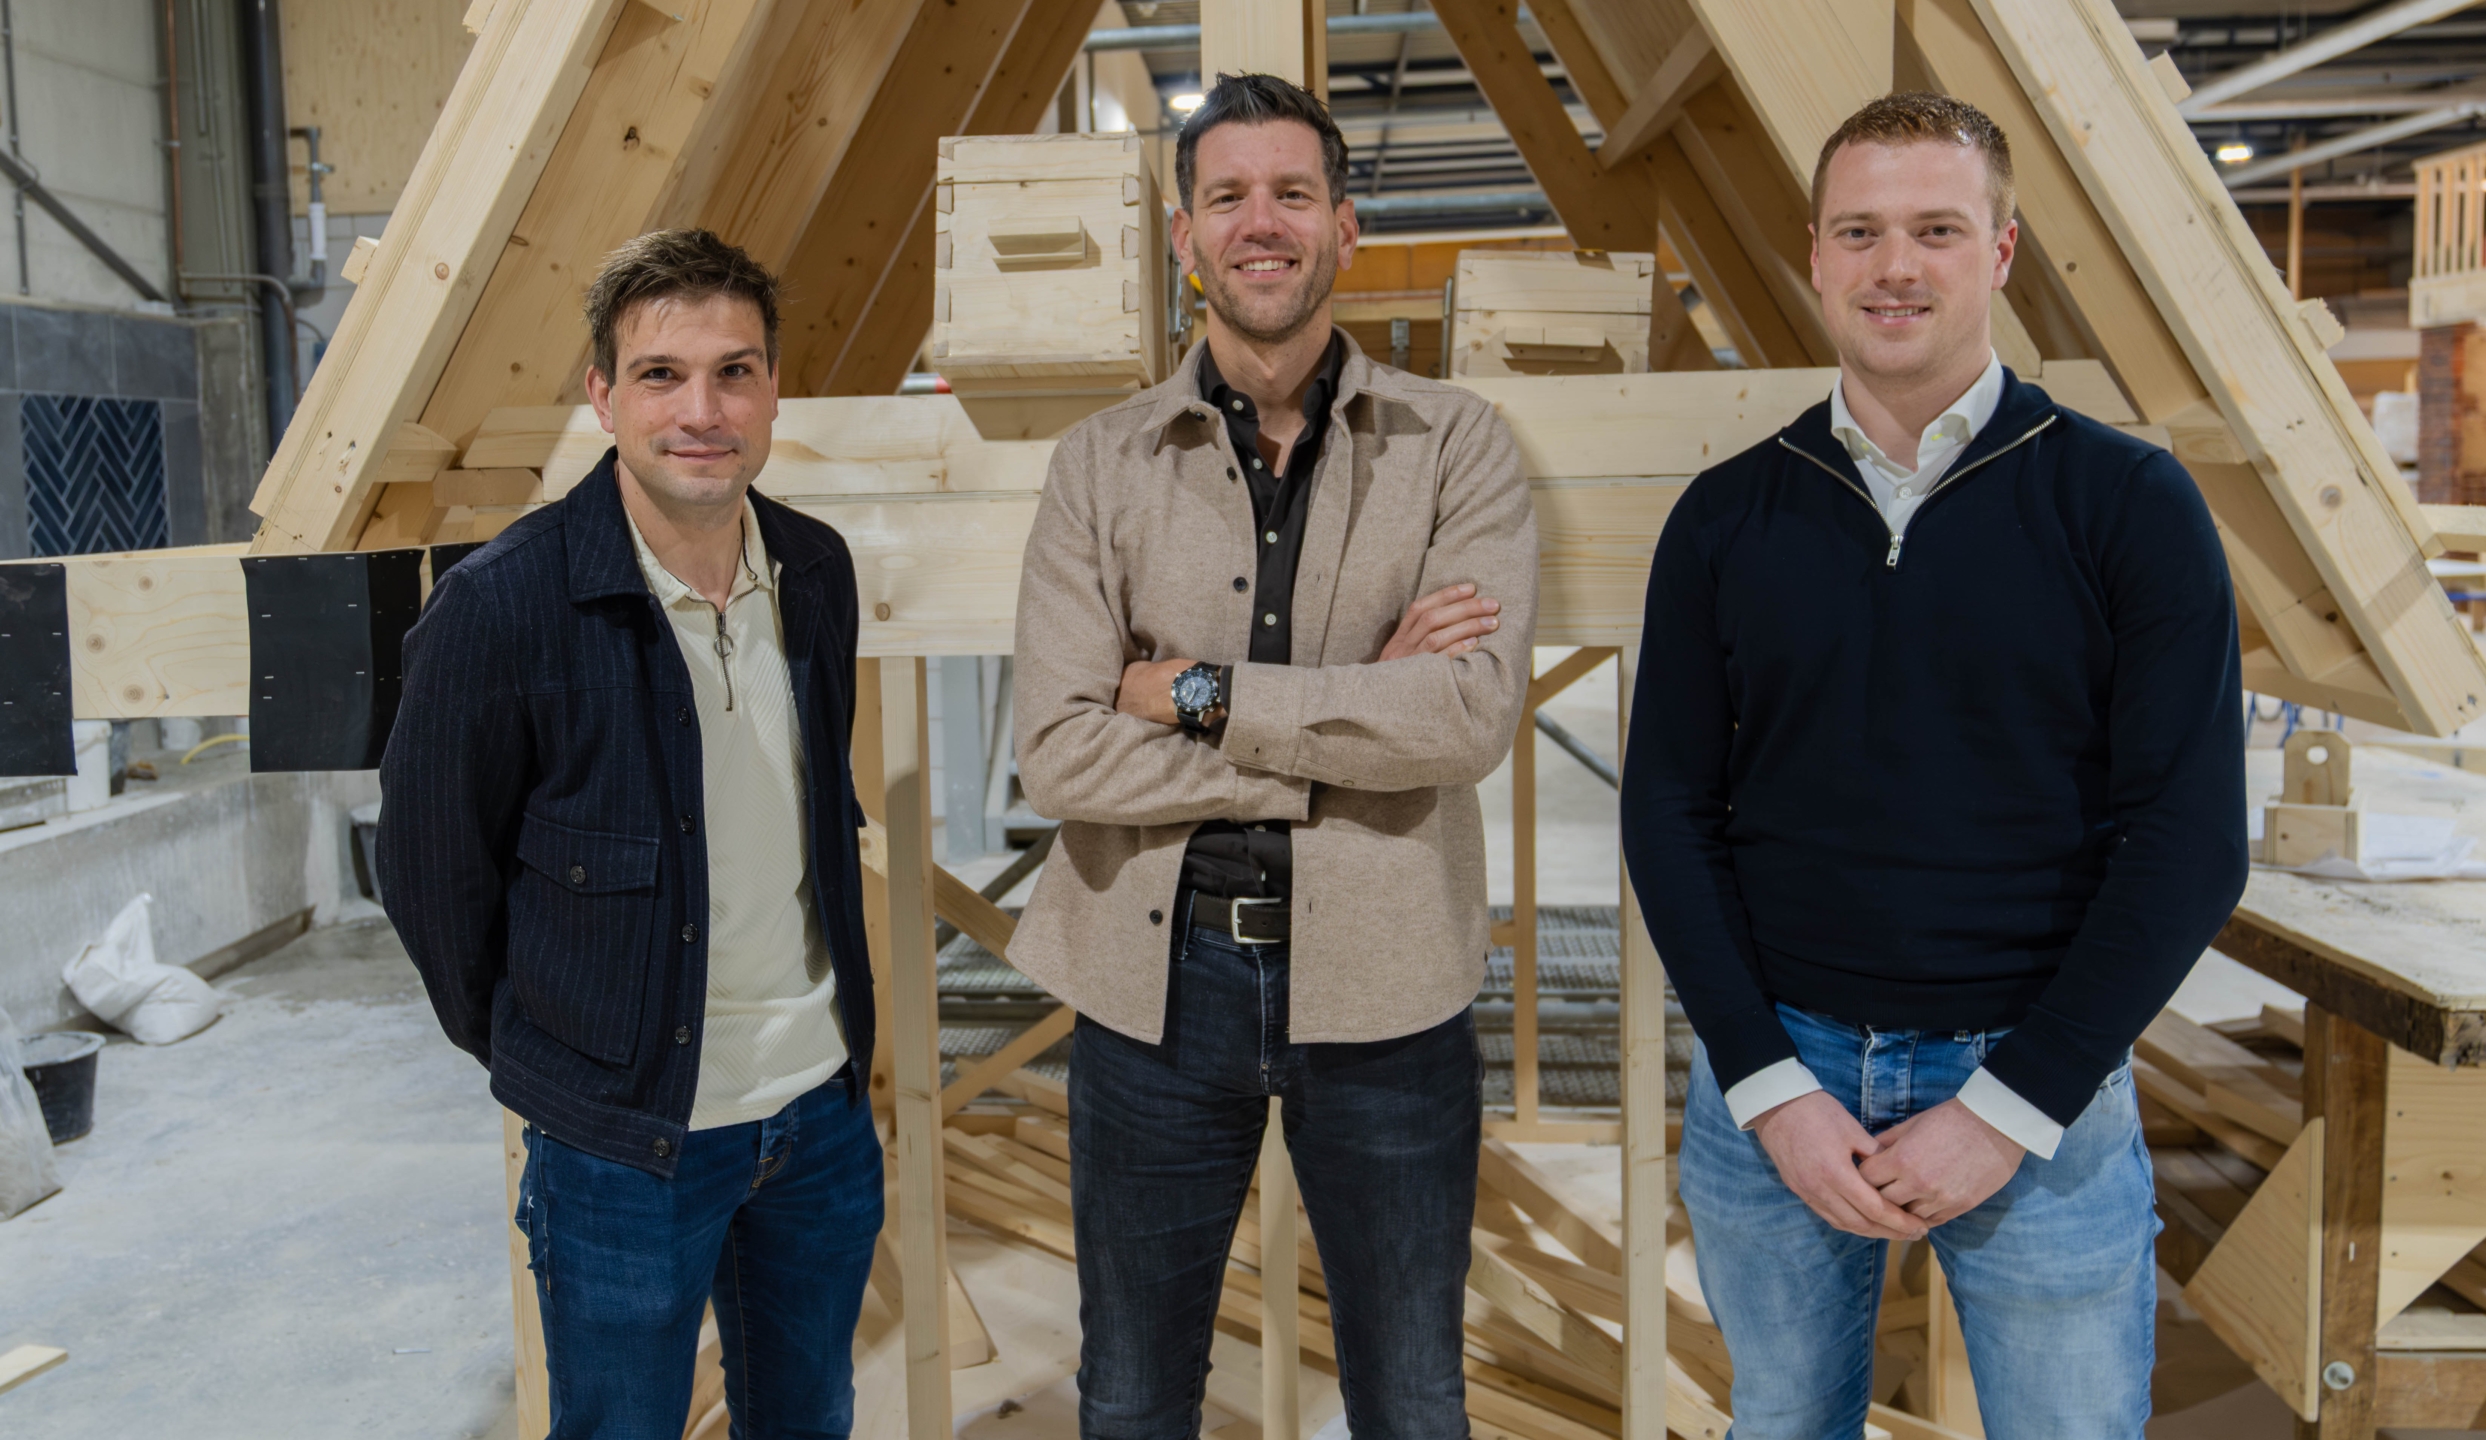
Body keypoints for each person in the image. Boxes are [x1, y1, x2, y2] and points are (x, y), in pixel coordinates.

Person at [1621, 93, 2249, 1437]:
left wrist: (2013, 1106)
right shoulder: (1728, 516)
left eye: (1935, 230)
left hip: (2033, 1081)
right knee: (1782, 1423)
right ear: (1816, 252)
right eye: (1860, 230)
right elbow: (1670, 811)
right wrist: (1766, 1086)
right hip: (1779, 1082)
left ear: (2002, 252)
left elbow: (2189, 839)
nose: (1893, 265)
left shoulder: (2129, 505)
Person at [1007, 71, 1538, 1440]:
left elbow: (1466, 723)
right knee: (1131, 1393)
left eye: (1293, 194)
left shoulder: (1457, 447)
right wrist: (1354, 719)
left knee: (1413, 1395)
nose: (1263, 223)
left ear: (1344, 230)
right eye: (1228, 196)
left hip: (1391, 976)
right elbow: (1064, 756)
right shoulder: (1099, 465)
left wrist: (1182, 692)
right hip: (1151, 972)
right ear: (1184, 239)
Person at [377, 229, 881, 1437]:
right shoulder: (501, 607)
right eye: (660, 375)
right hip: (625, 1139)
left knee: (808, 1419)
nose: (701, 410)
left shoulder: (814, 568)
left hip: (814, 1111)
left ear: (772, 390)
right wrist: (562, 1056)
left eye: (735, 371)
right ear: (602, 396)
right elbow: (429, 874)